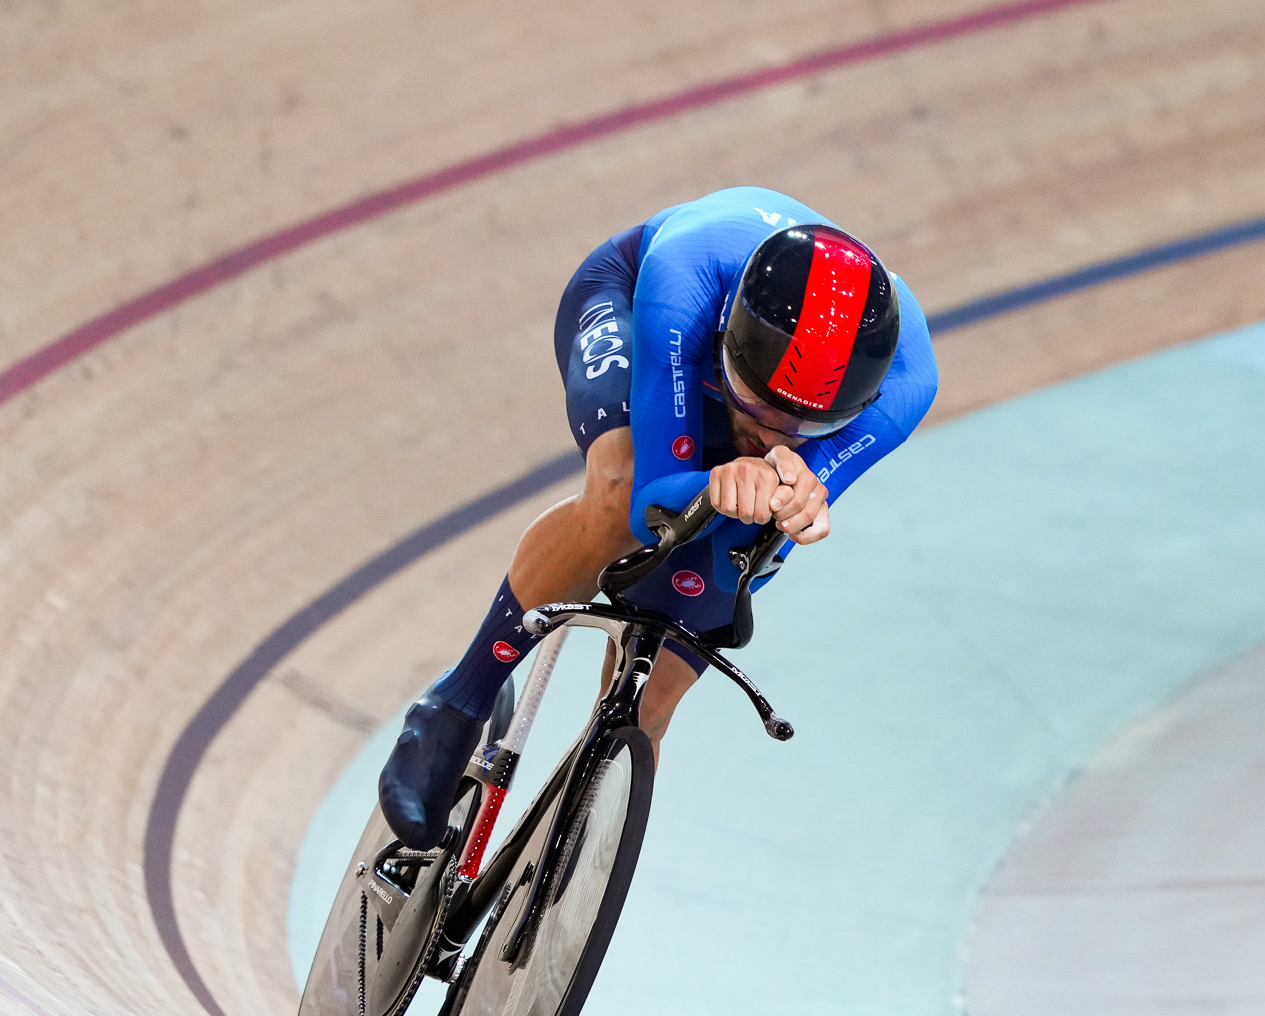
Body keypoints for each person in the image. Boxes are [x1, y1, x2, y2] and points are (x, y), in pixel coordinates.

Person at [379, 186, 939, 850]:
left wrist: (797, 493)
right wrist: (718, 475)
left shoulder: (906, 382)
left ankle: (583, 830)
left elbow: (792, 510)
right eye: (759, 410)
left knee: (725, 572)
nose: (772, 435)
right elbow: (652, 508)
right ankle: (458, 699)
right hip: (634, 311)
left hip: (738, 375)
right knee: (617, 494)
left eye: (803, 426)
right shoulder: (684, 279)